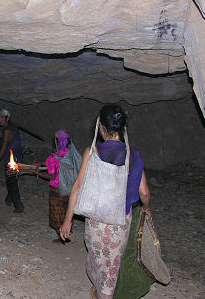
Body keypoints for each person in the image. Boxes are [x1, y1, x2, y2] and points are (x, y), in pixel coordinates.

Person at [60, 104, 152, 299]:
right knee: (112, 264)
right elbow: (144, 191)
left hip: (96, 221)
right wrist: (146, 207)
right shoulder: (133, 155)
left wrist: (68, 220)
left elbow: (77, 187)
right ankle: (103, 292)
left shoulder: (92, 152)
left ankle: (103, 294)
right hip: (120, 223)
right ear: (123, 128)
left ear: (100, 127)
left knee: (98, 260)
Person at [29, 129, 73, 243]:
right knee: (66, 210)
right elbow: (56, 164)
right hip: (68, 188)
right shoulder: (71, 154)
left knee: (57, 214)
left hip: (57, 189)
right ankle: (68, 230)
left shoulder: (53, 157)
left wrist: (37, 173)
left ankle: (62, 238)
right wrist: (41, 164)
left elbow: (52, 176)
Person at [0, 109, 24, 213]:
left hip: (12, 160)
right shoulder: (12, 127)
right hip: (16, 157)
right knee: (11, 179)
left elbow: (4, 146)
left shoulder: (7, 130)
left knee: (11, 182)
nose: (0, 119)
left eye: (2, 117)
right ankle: (9, 199)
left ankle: (19, 207)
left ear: (7, 118)